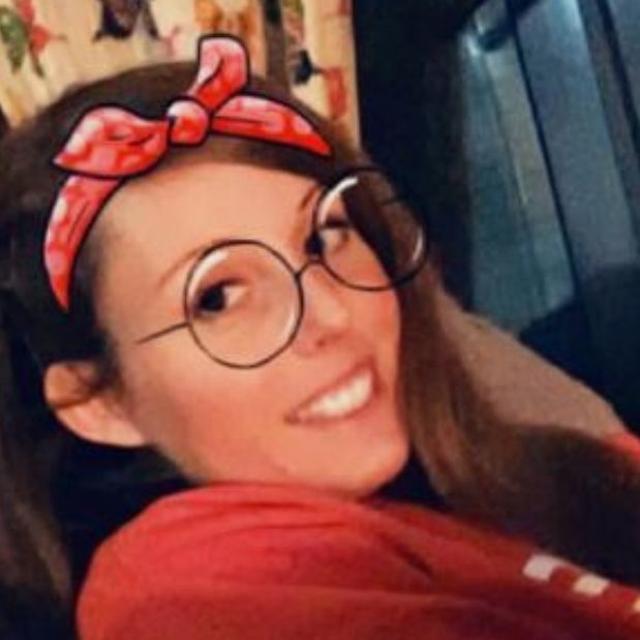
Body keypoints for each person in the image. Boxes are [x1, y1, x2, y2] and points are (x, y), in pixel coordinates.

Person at [1, 35, 640, 640]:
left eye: (325, 236)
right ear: (101, 402)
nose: (333, 313)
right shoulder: (190, 581)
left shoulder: (527, 470)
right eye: (217, 298)